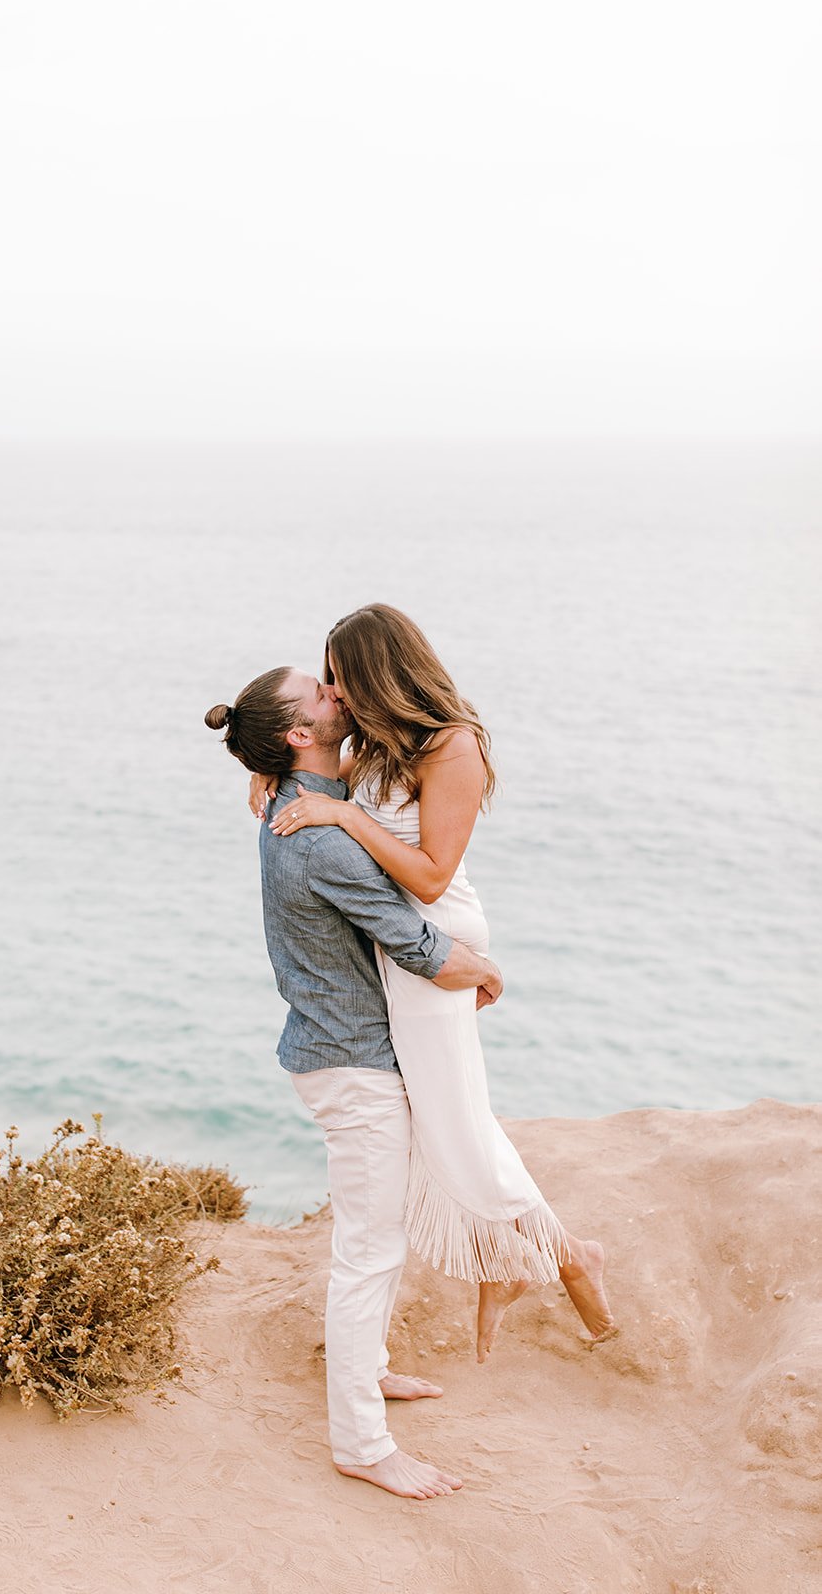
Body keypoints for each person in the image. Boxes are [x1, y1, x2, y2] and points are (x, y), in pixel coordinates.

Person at [255, 605, 615, 1364]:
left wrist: (343, 821)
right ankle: (528, 1257)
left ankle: (562, 1255)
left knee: (450, 1120)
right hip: (405, 943)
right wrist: (269, 768)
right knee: (448, 1117)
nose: (332, 691)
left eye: (337, 675)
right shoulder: (387, 743)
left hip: (437, 936)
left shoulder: (454, 747)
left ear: (378, 670)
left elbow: (428, 873)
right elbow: (317, 773)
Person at [205, 666, 504, 1501]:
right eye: (323, 695)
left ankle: (365, 1371)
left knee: (376, 1239)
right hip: (353, 1063)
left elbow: (275, 783)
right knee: (367, 1254)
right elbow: (408, 936)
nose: (341, 697)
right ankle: (361, 1445)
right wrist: (479, 969)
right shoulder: (320, 837)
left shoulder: (283, 802)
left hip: (337, 1049)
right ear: (300, 734)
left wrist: (268, 768)